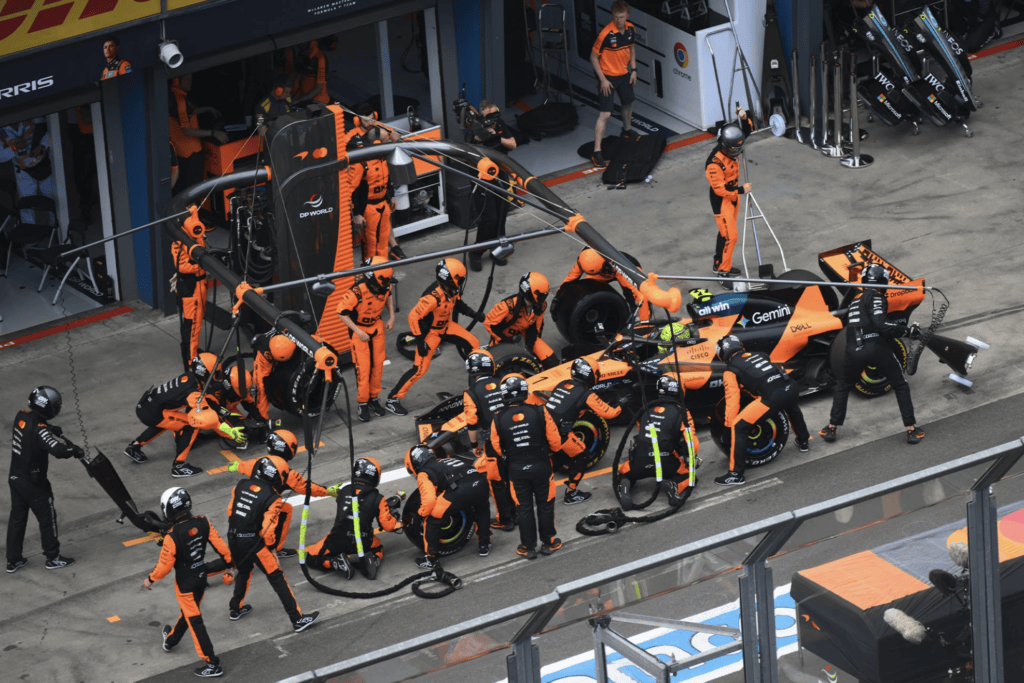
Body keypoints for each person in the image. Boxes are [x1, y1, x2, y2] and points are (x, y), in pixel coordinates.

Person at [820, 263, 924, 444]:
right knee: (900, 385)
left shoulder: (855, 300)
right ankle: (911, 429)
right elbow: (882, 324)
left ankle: (831, 428)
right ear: (883, 281)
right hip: (875, 347)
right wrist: (908, 331)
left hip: (852, 350)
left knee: (843, 386)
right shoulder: (876, 296)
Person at [143, 487, 233, 678]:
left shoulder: (171, 536)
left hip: (185, 585)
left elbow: (165, 566)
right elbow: (221, 547)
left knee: (195, 622)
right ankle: (170, 641)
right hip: (201, 579)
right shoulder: (203, 522)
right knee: (189, 614)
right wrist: (229, 564)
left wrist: (150, 579)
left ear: (168, 510)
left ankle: (212, 663)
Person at [226, 457, 319, 632]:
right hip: (254, 543)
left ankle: (235, 609)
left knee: (244, 572)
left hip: (233, 537)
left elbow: (230, 511)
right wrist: (271, 549)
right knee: (277, 578)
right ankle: (297, 620)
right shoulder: (273, 498)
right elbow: (268, 531)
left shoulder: (240, 485)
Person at [386, 258, 484, 415]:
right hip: (430, 334)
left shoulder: (451, 290)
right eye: (458, 279)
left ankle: (477, 380)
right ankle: (392, 399)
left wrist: (473, 314)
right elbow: (413, 317)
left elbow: (458, 304)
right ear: (448, 279)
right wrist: (420, 341)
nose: (461, 282)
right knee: (419, 370)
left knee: (473, 343)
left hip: (446, 326)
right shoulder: (432, 298)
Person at [124, 354, 244, 477]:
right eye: (216, 373)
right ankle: (178, 466)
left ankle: (135, 447)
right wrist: (229, 430)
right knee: (191, 425)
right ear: (205, 373)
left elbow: (206, 399)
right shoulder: (192, 394)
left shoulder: (189, 376)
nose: (218, 376)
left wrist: (221, 410)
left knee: (168, 421)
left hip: (146, 406)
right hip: (154, 413)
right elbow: (209, 418)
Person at [714, 335, 810, 486]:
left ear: (722, 354)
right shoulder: (760, 354)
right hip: (790, 387)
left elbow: (732, 403)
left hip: (772, 398)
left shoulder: (730, 371)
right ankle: (803, 441)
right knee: (792, 408)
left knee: (739, 426)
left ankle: (736, 474)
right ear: (739, 346)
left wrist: (727, 429)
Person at [489, 375, 568, 559]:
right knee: (546, 505)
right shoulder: (540, 411)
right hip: (542, 467)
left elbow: (497, 448)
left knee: (523, 508)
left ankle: (528, 547)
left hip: (516, 471)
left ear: (504, 395)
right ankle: (548, 543)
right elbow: (556, 444)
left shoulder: (498, 419)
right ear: (525, 391)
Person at [6, 387, 83, 573]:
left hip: (15, 477)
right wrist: (74, 450)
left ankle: (13, 560)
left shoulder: (21, 415)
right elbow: (58, 450)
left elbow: (35, 426)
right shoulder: (41, 431)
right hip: (34, 483)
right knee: (48, 519)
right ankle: (53, 557)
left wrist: (50, 428)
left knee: (17, 519)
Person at [227, 430, 333, 558]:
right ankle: (276, 548)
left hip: (243, 507)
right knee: (286, 509)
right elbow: (309, 488)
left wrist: (236, 466)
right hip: (263, 507)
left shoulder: (260, 462)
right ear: (287, 448)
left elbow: (242, 466)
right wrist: (330, 491)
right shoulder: (287, 473)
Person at [306, 457, 400, 579]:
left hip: (337, 540)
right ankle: (373, 560)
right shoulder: (378, 498)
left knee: (312, 557)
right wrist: (393, 515)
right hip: (363, 541)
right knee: (378, 547)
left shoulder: (344, 490)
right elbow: (388, 526)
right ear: (375, 476)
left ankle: (336, 562)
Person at [543, 358, 620, 504]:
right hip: (558, 434)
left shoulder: (562, 384)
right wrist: (621, 405)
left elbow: (569, 404)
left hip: (543, 429)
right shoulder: (586, 395)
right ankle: (571, 493)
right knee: (582, 455)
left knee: (557, 459)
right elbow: (610, 413)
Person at [617, 374, 698, 510]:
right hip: (665, 464)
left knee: (624, 471)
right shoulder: (682, 412)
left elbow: (641, 432)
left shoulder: (646, 409)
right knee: (691, 475)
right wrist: (690, 458)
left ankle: (625, 487)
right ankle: (673, 486)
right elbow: (693, 444)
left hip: (639, 461)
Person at [405, 444, 492, 569]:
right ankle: (484, 545)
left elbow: (428, 502)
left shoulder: (423, 473)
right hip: (482, 484)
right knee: (482, 510)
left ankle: (431, 560)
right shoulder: (448, 459)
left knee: (432, 520)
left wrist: (420, 515)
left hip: (460, 491)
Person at [461, 350, 516, 531]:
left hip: (493, 441)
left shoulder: (471, 392)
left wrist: (474, 445)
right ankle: (519, 513)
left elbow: (471, 423)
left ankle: (505, 520)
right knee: (514, 475)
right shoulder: (503, 382)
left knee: (497, 480)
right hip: (514, 433)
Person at [337, 257, 396, 422]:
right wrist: (357, 330)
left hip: (377, 328)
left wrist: (391, 316)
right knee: (363, 369)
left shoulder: (385, 283)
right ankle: (362, 402)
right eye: (382, 282)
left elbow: (388, 294)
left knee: (378, 366)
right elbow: (341, 312)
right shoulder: (356, 291)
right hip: (360, 332)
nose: (384, 286)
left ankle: (373, 398)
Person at [705, 108, 754, 284]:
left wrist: (744, 117)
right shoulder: (714, 164)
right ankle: (722, 272)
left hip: (734, 196)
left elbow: (747, 130)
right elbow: (719, 190)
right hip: (722, 199)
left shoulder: (734, 140)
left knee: (725, 233)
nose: (738, 151)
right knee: (730, 236)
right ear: (725, 145)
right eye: (735, 149)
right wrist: (741, 190)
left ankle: (719, 262)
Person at [468, 99, 516, 272]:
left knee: (502, 214)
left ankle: (497, 249)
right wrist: (482, 136)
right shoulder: (475, 127)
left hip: (500, 175)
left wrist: (498, 137)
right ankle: (476, 252)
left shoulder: (500, 123)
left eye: (494, 111)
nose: (492, 116)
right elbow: (470, 150)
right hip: (482, 178)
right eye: (489, 113)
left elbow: (513, 143)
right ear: (482, 113)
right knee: (489, 218)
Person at [589, 0, 637, 167]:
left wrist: (634, 70)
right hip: (608, 77)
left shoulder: (631, 29)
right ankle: (597, 152)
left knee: (628, 102)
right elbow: (593, 57)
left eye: (622, 17)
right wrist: (602, 80)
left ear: (627, 16)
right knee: (605, 114)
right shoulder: (605, 34)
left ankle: (626, 130)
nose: (619, 20)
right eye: (616, 17)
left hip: (623, 74)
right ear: (612, 16)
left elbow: (631, 48)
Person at [483, 272, 559, 370]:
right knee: (497, 368)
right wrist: (505, 341)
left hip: (525, 335)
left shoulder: (541, 306)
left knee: (552, 362)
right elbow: (489, 323)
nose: (539, 301)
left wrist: (529, 348)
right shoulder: (507, 306)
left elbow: (536, 328)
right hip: (503, 338)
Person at [169, 74, 227, 192]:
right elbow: (187, 130)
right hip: (189, 152)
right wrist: (213, 133)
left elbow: (189, 113)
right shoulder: (179, 101)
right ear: (178, 81)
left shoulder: (177, 96)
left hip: (184, 150)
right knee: (192, 189)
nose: (191, 82)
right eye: (188, 80)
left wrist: (208, 109)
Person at [562, 247, 650, 322]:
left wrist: (645, 323)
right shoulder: (584, 260)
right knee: (588, 286)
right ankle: (601, 310)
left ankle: (644, 318)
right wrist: (559, 297)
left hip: (626, 268)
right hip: (605, 272)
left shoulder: (620, 266)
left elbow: (640, 297)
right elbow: (569, 279)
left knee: (634, 295)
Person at [348, 134, 398, 261]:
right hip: (368, 208)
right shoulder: (362, 163)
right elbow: (352, 190)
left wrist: (391, 196)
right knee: (370, 244)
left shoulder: (384, 160)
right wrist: (357, 213)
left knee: (383, 242)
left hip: (383, 205)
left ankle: (382, 271)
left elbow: (387, 180)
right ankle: (369, 273)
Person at [0, 117, 56, 225]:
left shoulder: (33, 116)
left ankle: (55, 229)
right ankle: (30, 241)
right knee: (26, 204)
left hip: (43, 164)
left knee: (53, 199)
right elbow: (0, 157)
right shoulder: (2, 129)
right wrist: (13, 148)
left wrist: (42, 145)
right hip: (22, 171)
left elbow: (52, 129)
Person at [172, 211, 208, 368]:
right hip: (190, 289)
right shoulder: (179, 241)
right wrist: (202, 266)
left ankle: (193, 351)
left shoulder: (197, 233)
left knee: (197, 323)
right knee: (192, 325)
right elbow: (181, 266)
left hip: (200, 286)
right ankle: (191, 361)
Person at [251, 332, 297, 428]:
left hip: (285, 346)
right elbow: (262, 386)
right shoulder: (264, 355)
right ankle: (262, 421)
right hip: (264, 360)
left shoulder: (291, 339)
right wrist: (262, 419)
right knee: (262, 389)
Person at [293, 40, 330, 105]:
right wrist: (286, 93)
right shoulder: (301, 55)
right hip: (303, 97)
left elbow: (318, 89)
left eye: (304, 50)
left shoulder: (320, 59)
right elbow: (294, 76)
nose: (303, 53)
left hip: (318, 100)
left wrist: (299, 100)